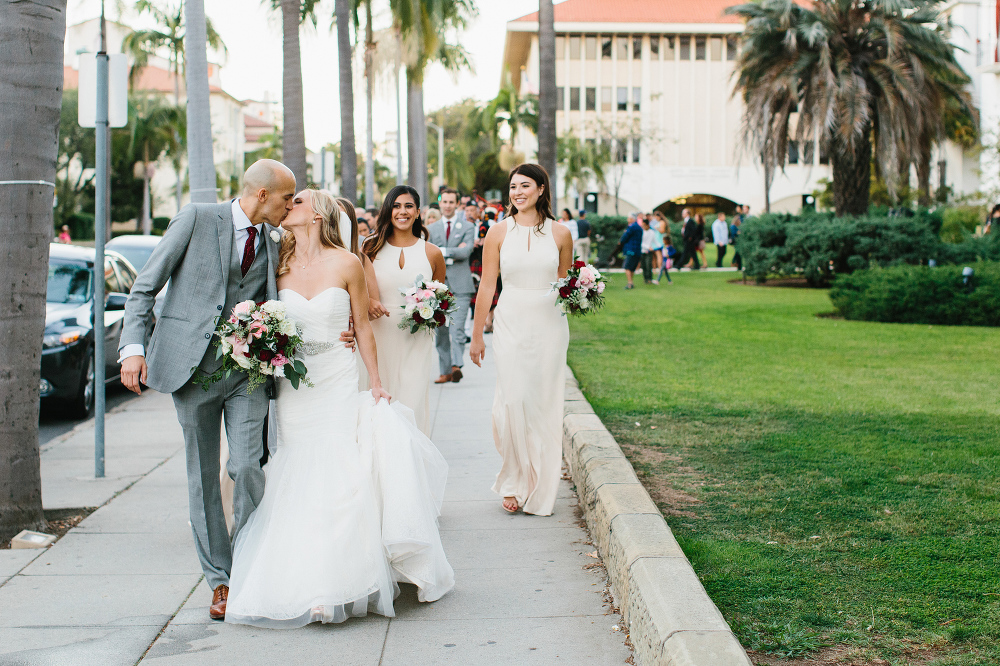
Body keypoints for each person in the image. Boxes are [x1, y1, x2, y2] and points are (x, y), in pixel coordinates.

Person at [118, 160, 355, 621]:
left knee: (248, 466)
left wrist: (339, 328)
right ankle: (221, 580)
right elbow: (145, 287)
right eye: (288, 198)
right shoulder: (197, 218)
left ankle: (249, 568)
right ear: (263, 194)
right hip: (190, 370)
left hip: (248, 374)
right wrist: (132, 348)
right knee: (204, 477)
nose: (292, 207)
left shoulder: (274, 241)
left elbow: (305, 289)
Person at [225, 188, 453, 628]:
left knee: (337, 470)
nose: (288, 206)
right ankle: (301, 576)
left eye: (297, 202)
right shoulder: (278, 262)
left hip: (337, 375)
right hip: (295, 385)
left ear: (316, 216)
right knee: (297, 469)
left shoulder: (347, 263)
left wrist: (378, 384)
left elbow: (364, 327)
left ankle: (334, 582)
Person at [469, 163, 572, 516]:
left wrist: (582, 293)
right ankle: (513, 478)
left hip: (549, 326)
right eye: (513, 186)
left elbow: (566, 285)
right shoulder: (498, 232)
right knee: (509, 403)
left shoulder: (561, 234)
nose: (517, 192)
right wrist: (477, 334)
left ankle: (539, 484)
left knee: (542, 405)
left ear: (542, 189)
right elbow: (487, 285)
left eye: (525, 185)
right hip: (510, 320)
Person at [362, 186, 446, 435]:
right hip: (378, 336)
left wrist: (429, 311)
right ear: (388, 211)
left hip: (416, 339)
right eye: (396, 206)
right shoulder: (370, 248)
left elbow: (441, 297)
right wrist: (367, 302)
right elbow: (354, 290)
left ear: (418, 212)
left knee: (412, 403)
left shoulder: (432, 253)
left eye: (408, 206)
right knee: (379, 406)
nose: (402, 211)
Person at [427, 188, 475, 384]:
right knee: (441, 332)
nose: (447, 205)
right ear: (440, 203)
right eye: (444, 202)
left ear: (457, 204)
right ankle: (445, 371)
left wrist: (443, 251)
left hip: (461, 287)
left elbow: (466, 252)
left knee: (456, 328)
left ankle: (456, 366)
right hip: (437, 287)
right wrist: (453, 251)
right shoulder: (431, 228)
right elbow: (429, 252)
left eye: (451, 202)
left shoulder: (467, 227)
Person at [618, 213, 643, 288]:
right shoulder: (639, 227)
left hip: (630, 249)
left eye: (629, 218)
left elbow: (625, 237)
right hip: (637, 250)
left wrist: (620, 242)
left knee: (627, 267)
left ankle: (630, 283)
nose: (627, 220)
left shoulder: (631, 227)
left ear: (632, 219)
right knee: (632, 267)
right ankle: (631, 282)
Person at [654, 211, 673, 284]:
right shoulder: (659, 222)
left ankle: (660, 269)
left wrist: (656, 228)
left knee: (660, 258)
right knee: (660, 258)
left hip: (660, 242)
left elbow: (662, 231)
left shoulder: (662, 222)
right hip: (658, 242)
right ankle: (668, 279)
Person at [639, 215, 655, 284]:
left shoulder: (652, 232)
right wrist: (647, 247)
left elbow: (654, 241)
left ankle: (649, 278)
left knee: (648, 265)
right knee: (644, 265)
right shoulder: (641, 232)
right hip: (643, 251)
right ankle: (645, 278)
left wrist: (652, 248)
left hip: (649, 251)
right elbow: (641, 243)